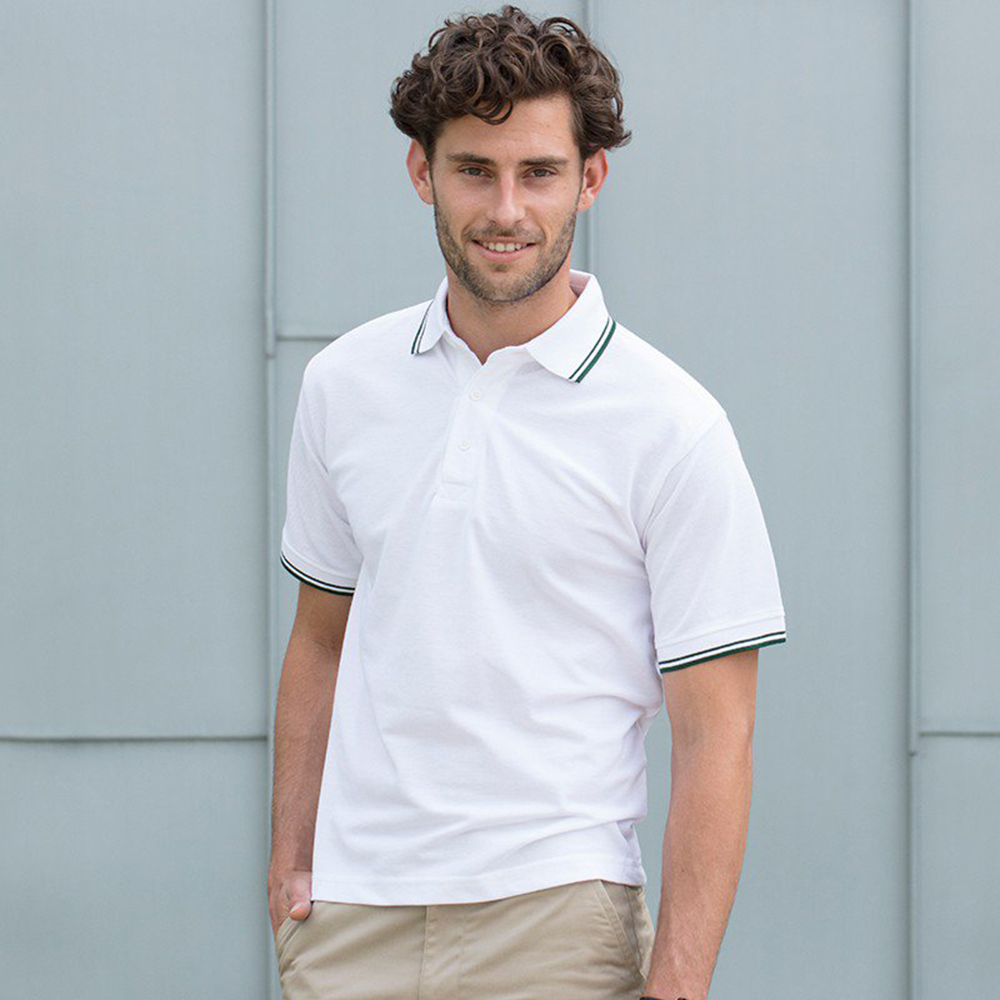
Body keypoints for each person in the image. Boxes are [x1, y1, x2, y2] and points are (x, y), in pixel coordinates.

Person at [268, 6, 786, 999]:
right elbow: (319, 640)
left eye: (539, 172)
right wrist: (291, 860)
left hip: (556, 918)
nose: (506, 208)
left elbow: (717, 736)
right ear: (421, 172)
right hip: (349, 922)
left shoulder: (671, 425)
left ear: (590, 179)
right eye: (475, 169)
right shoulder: (343, 385)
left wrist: (676, 988)